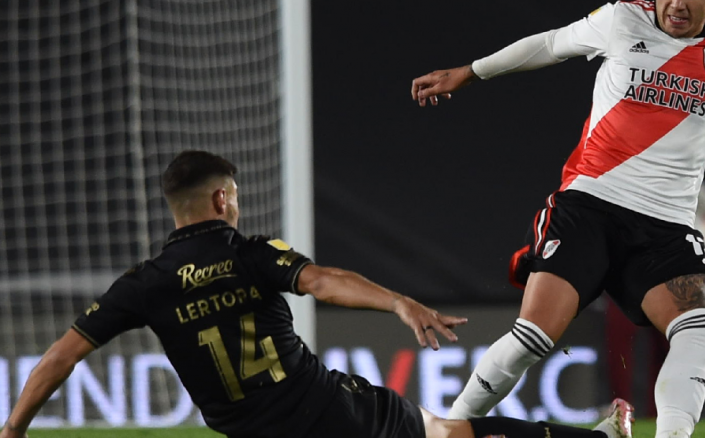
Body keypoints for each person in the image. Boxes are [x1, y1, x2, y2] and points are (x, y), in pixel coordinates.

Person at [409, 0, 705, 437]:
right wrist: (469, 72)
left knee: (699, 330)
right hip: (590, 206)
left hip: (665, 227)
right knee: (533, 336)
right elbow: (552, 44)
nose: (677, 3)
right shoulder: (621, 20)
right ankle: (448, 431)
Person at [0, 150, 634, 438]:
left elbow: (59, 357)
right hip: (325, 412)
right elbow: (325, 282)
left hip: (246, 431)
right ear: (223, 200)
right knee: (449, 435)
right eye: (236, 196)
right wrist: (397, 302)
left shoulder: (144, 284)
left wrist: (12, 432)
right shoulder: (248, 254)